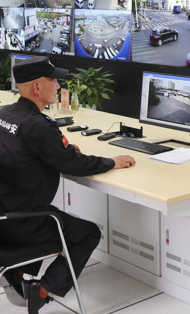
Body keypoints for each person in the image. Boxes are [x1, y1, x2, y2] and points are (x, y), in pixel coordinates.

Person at [0, 56, 135, 313]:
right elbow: (75, 165)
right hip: (24, 223)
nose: (58, 85)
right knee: (88, 233)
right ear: (37, 88)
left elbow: (23, 152)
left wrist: (57, 150)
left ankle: (16, 272)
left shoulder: (4, 114)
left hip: (4, 216)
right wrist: (110, 161)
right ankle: (41, 291)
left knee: (53, 217)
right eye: (53, 80)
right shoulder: (40, 127)